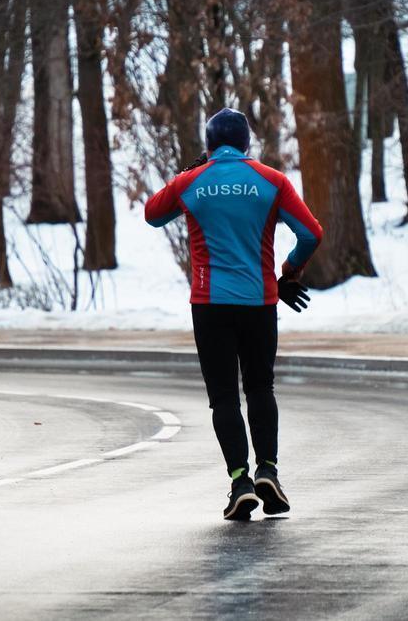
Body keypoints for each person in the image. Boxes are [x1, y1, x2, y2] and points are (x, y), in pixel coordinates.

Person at [144, 108, 323, 521]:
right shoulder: (271, 181)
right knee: (260, 387)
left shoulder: (192, 181)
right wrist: (290, 271)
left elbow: (153, 214)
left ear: (209, 145)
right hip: (260, 302)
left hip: (210, 305)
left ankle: (240, 481)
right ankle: (268, 471)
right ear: (246, 144)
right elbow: (311, 233)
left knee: (223, 396)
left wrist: (189, 172)